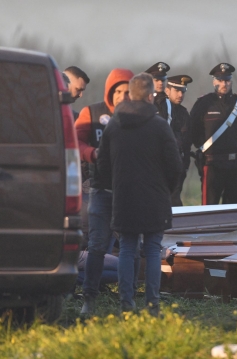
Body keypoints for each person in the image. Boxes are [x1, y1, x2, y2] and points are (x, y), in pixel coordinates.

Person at [97, 72, 182, 315]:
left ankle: (127, 303)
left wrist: (117, 185)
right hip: (155, 198)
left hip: (123, 197)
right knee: (153, 249)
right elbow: (175, 166)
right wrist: (166, 189)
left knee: (126, 248)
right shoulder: (159, 125)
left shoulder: (114, 124)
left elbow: (101, 165)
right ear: (150, 96)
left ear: (130, 95)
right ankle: (152, 305)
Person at [75, 68, 134, 315]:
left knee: (130, 246)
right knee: (97, 246)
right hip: (100, 190)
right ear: (110, 91)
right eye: (117, 91)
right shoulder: (91, 112)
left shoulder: (138, 116)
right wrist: (92, 154)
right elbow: (75, 140)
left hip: (129, 192)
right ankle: (89, 299)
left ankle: (127, 301)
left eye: (127, 91)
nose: (122, 96)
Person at [190, 63, 237, 205]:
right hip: (212, 164)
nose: (224, 84)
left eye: (227, 80)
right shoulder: (204, 103)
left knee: (232, 209)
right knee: (209, 209)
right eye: (221, 80)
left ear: (231, 81)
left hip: (235, 164)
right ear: (214, 82)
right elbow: (194, 130)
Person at [165, 74, 193, 206]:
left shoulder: (183, 113)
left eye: (182, 91)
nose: (180, 95)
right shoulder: (160, 110)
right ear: (167, 90)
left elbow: (187, 144)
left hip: (178, 168)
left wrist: (185, 167)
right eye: (177, 91)